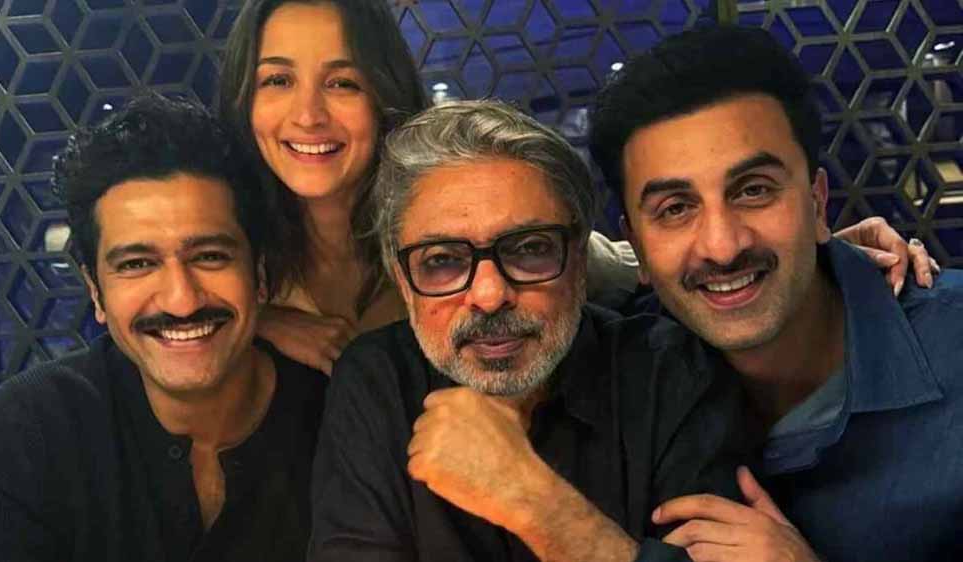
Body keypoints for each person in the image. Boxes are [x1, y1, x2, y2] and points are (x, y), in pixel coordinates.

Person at [217, 0, 927, 374]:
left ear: (384, 95)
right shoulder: (231, 259)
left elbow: (638, 264)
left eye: (342, 82)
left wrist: (821, 255)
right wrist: (258, 323)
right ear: (245, 97)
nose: (307, 114)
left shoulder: (469, 224)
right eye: (277, 80)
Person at [309, 99, 753, 562]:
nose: (489, 294)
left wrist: (537, 503)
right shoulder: (378, 380)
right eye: (442, 260)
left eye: (529, 249)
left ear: (578, 260)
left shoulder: (671, 372)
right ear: (403, 281)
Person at [590, 25, 963, 562]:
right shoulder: (623, 377)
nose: (722, 247)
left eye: (754, 190)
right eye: (675, 208)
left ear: (817, 203)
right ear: (638, 247)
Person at [0, 94, 328, 561]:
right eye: (137, 264)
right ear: (95, 291)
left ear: (258, 274)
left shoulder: (337, 419)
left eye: (210, 256)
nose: (181, 300)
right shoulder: (24, 439)